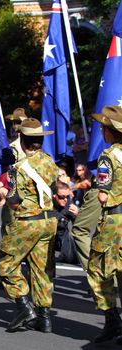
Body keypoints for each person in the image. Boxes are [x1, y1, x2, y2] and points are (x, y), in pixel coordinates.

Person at [0, 118, 59, 333]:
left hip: (27, 222)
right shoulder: (50, 162)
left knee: (7, 265)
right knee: (41, 269)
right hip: (49, 220)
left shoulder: (19, 168)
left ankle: (24, 306)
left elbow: (13, 200)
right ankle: (45, 317)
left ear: (21, 138)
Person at [86, 105, 122, 344]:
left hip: (114, 221)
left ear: (109, 131)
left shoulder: (107, 157)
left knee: (97, 270)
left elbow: (102, 195)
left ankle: (112, 320)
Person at [51, 181, 79, 264]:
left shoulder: (69, 205)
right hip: (45, 236)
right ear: (54, 195)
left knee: (71, 260)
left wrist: (78, 215)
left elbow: (80, 227)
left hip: (61, 236)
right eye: (62, 197)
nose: (65, 199)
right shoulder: (46, 204)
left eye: (67, 196)